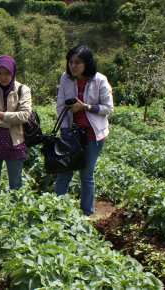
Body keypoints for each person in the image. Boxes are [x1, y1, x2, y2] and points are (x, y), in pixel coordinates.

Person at [54, 45, 114, 219]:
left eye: (78, 62)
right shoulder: (66, 78)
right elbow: (60, 105)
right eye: (71, 62)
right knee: (64, 170)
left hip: (93, 135)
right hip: (71, 133)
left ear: (87, 63)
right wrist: (65, 133)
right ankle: (57, 208)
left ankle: (86, 212)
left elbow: (108, 109)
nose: (73, 66)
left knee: (86, 174)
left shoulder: (100, 80)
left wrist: (85, 107)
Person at [0, 56, 32, 202]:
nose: (3, 77)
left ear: (13, 72)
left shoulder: (23, 90)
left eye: (7, 73)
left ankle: (16, 214)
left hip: (15, 142)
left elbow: (24, 115)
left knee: (15, 182)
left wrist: (0, 114)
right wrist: (8, 123)